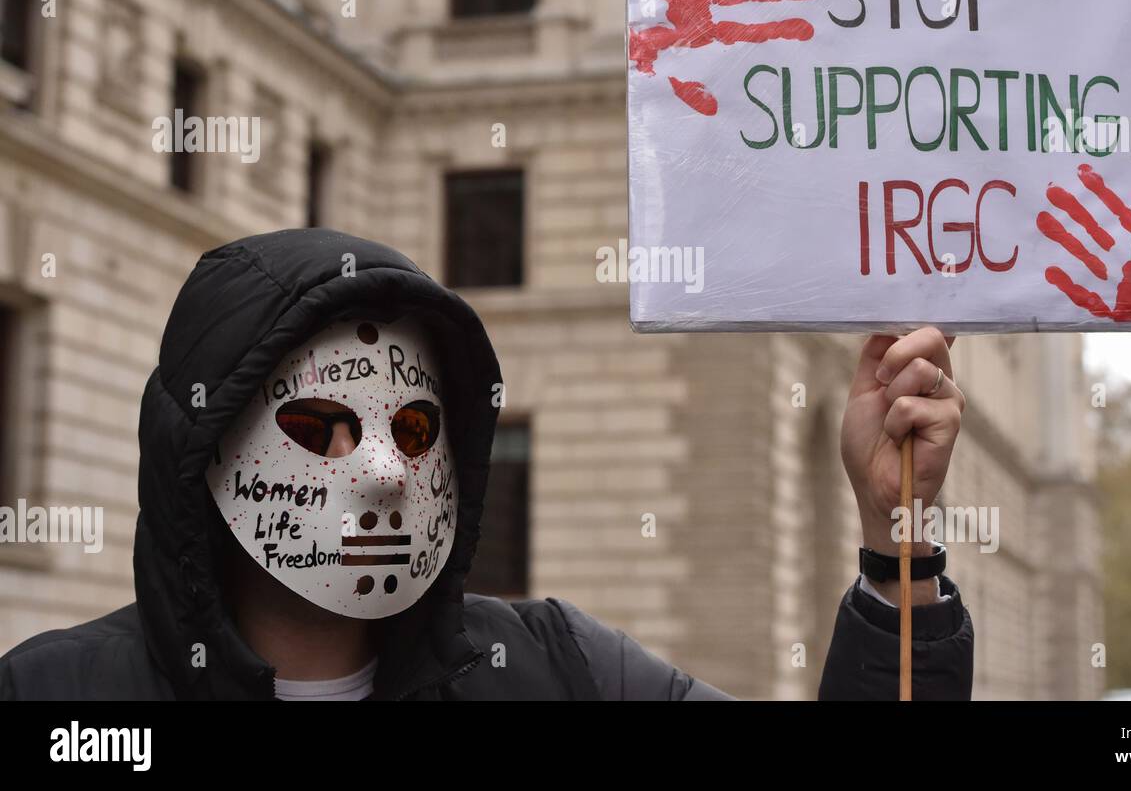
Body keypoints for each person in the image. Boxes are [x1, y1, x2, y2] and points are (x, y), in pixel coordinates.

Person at [0, 229, 972, 700]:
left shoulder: (561, 674)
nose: (381, 470)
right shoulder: (57, 697)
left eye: (415, 430)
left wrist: (898, 538)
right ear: (207, 444)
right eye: (321, 425)